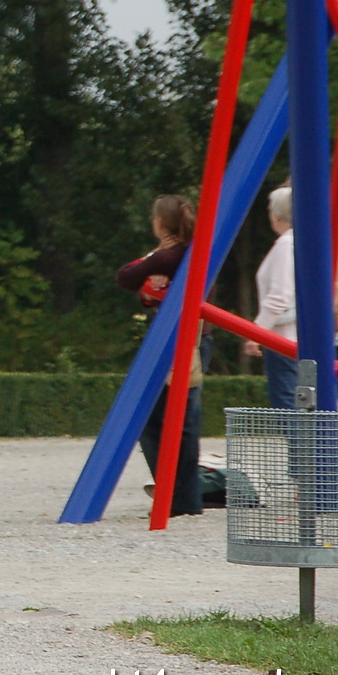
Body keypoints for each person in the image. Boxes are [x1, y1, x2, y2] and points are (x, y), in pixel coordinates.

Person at [116, 193, 205, 517]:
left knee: (158, 419)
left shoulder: (168, 256)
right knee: (182, 422)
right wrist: (152, 292)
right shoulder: (190, 250)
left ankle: (178, 496)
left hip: (178, 339)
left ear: (159, 223)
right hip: (194, 335)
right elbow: (150, 293)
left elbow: (126, 275)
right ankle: (183, 497)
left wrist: (148, 273)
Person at [250, 186, 299, 410]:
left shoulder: (285, 246)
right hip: (296, 336)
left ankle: (303, 447)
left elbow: (279, 296)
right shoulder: (302, 243)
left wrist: (256, 333)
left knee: (287, 403)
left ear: (276, 216)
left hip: (282, 339)